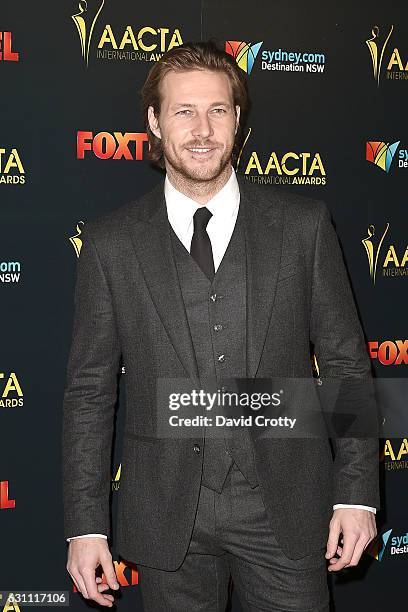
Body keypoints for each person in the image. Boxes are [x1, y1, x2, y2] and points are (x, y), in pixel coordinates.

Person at [62, 40, 379, 611]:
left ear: (238, 120)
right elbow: (89, 393)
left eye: (218, 110)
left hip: (286, 507)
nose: (203, 129)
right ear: (156, 122)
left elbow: (345, 365)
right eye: (184, 111)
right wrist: (86, 526)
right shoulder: (111, 244)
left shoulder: (302, 227)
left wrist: (357, 494)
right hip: (166, 519)